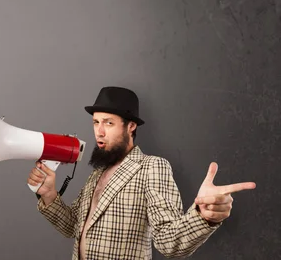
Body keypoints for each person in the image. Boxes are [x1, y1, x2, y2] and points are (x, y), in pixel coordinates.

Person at [27, 86, 256, 260]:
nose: (99, 131)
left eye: (108, 123)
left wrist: (203, 216)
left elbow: (168, 241)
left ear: (131, 126)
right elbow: (72, 227)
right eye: (96, 122)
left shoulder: (151, 167)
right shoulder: (97, 174)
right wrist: (49, 195)